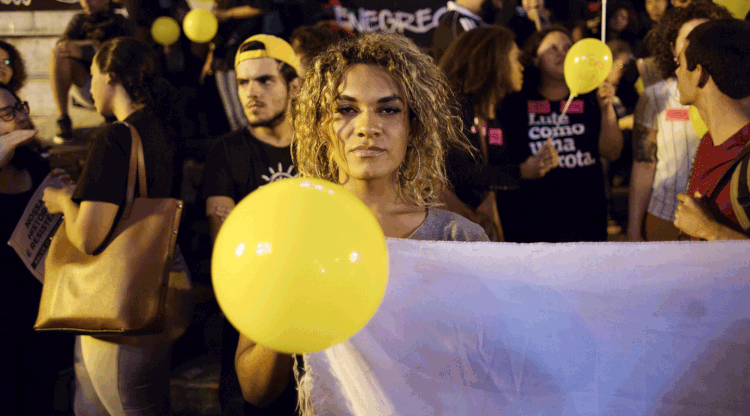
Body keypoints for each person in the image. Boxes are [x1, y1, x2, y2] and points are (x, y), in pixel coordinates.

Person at [234, 32, 487, 413]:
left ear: (413, 127)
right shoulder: (286, 232)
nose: (368, 126)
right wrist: (291, 295)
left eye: (388, 109)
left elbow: (490, 373)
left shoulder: (458, 239)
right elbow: (254, 388)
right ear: (321, 125)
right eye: (346, 109)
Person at [42, 37, 192, 415]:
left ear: (111, 77)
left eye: (91, 76)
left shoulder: (117, 137)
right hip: (159, 283)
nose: (88, 87)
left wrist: (61, 200)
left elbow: (90, 237)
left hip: (120, 295)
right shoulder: (161, 128)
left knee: (118, 406)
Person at [200, 34, 302, 415]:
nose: (250, 93)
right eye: (243, 82)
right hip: (255, 317)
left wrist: (254, 229)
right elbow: (225, 245)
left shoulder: (320, 148)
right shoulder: (226, 152)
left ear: (294, 86)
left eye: (264, 80)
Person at [496, 25, 623, 242]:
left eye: (568, 47)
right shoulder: (516, 102)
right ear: (535, 58)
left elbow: (612, 152)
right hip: (534, 217)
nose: (562, 53)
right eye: (553, 48)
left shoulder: (593, 97)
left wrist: (606, 109)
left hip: (586, 216)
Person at [438, 25, 558, 240]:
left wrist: (533, 166)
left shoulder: (492, 114)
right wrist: (521, 171)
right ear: (493, 60)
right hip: (447, 233)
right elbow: (458, 173)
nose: (521, 67)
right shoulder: (453, 109)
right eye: (514, 58)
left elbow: (493, 168)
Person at [627, 3, 732, 242]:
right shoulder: (656, 96)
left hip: (721, 220)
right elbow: (644, 163)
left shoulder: (736, 95)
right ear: (674, 49)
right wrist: (634, 229)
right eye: (687, 40)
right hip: (664, 216)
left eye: (703, 37)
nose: (695, 47)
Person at [0, 87, 75, 416]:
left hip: (40, 300)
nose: (19, 118)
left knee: (40, 398)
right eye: (6, 114)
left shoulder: (32, 161)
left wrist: (65, 197)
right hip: (2, 313)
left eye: (19, 108)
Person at [673, 19, 750, 240]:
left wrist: (710, 230)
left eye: (679, 63)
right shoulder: (708, 141)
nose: (677, 72)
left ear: (698, 73)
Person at [205, 0, 273, 131]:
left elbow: (261, 5)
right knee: (234, 116)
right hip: (224, 51)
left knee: (247, 114)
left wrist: (228, 14)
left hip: (244, 50)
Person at [50, 0, 133, 144]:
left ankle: (112, 117)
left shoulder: (120, 21)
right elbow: (62, 45)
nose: (85, 1)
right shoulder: (79, 20)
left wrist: (84, 51)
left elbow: (117, 56)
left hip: (115, 86)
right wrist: (92, 44)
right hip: (87, 83)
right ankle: (63, 119)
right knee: (58, 55)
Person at [431, 0, 546, 62]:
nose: (501, 5)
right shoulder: (460, 26)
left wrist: (532, 16)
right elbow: (490, 68)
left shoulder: (466, 23)